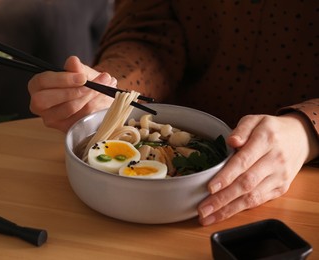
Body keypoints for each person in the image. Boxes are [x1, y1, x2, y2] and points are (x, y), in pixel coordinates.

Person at [28, 1, 319, 225]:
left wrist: (306, 130)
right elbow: (148, 30)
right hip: (143, 199)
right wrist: (110, 91)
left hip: (299, 186)